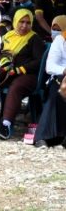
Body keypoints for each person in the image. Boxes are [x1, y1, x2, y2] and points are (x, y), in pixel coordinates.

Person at [0, 9, 46, 140]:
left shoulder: (34, 38)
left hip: (30, 75)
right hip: (10, 72)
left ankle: (6, 125)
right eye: (21, 22)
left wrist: (20, 69)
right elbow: (1, 52)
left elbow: (39, 61)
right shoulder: (8, 36)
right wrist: (5, 61)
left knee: (16, 86)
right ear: (15, 22)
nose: (24, 26)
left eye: (28, 22)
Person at [34, 15, 66, 147]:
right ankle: (43, 136)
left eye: (59, 28)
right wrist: (64, 71)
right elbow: (50, 67)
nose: (56, 31)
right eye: (54, 29)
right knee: (59, 87)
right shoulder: (60, 40)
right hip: (59, 78)